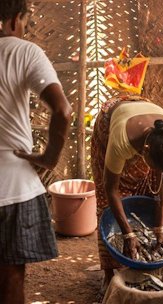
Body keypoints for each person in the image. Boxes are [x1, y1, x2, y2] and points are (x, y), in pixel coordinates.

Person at [0, 1, 72, 303]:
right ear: (16, 19)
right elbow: (63, 111)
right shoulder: (23, 52)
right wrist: (48, 158)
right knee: (11, 280)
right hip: (13, 189)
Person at [91, 94, 163, 297]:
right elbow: (111, 189)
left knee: (158, 185)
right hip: (111, 122)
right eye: (154, 166)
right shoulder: (121, 140)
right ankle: (109, 272)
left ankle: (145, 264)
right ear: (145, 151)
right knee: (106, 198)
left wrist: (160, 228)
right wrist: (128, 233)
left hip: (152, 137)